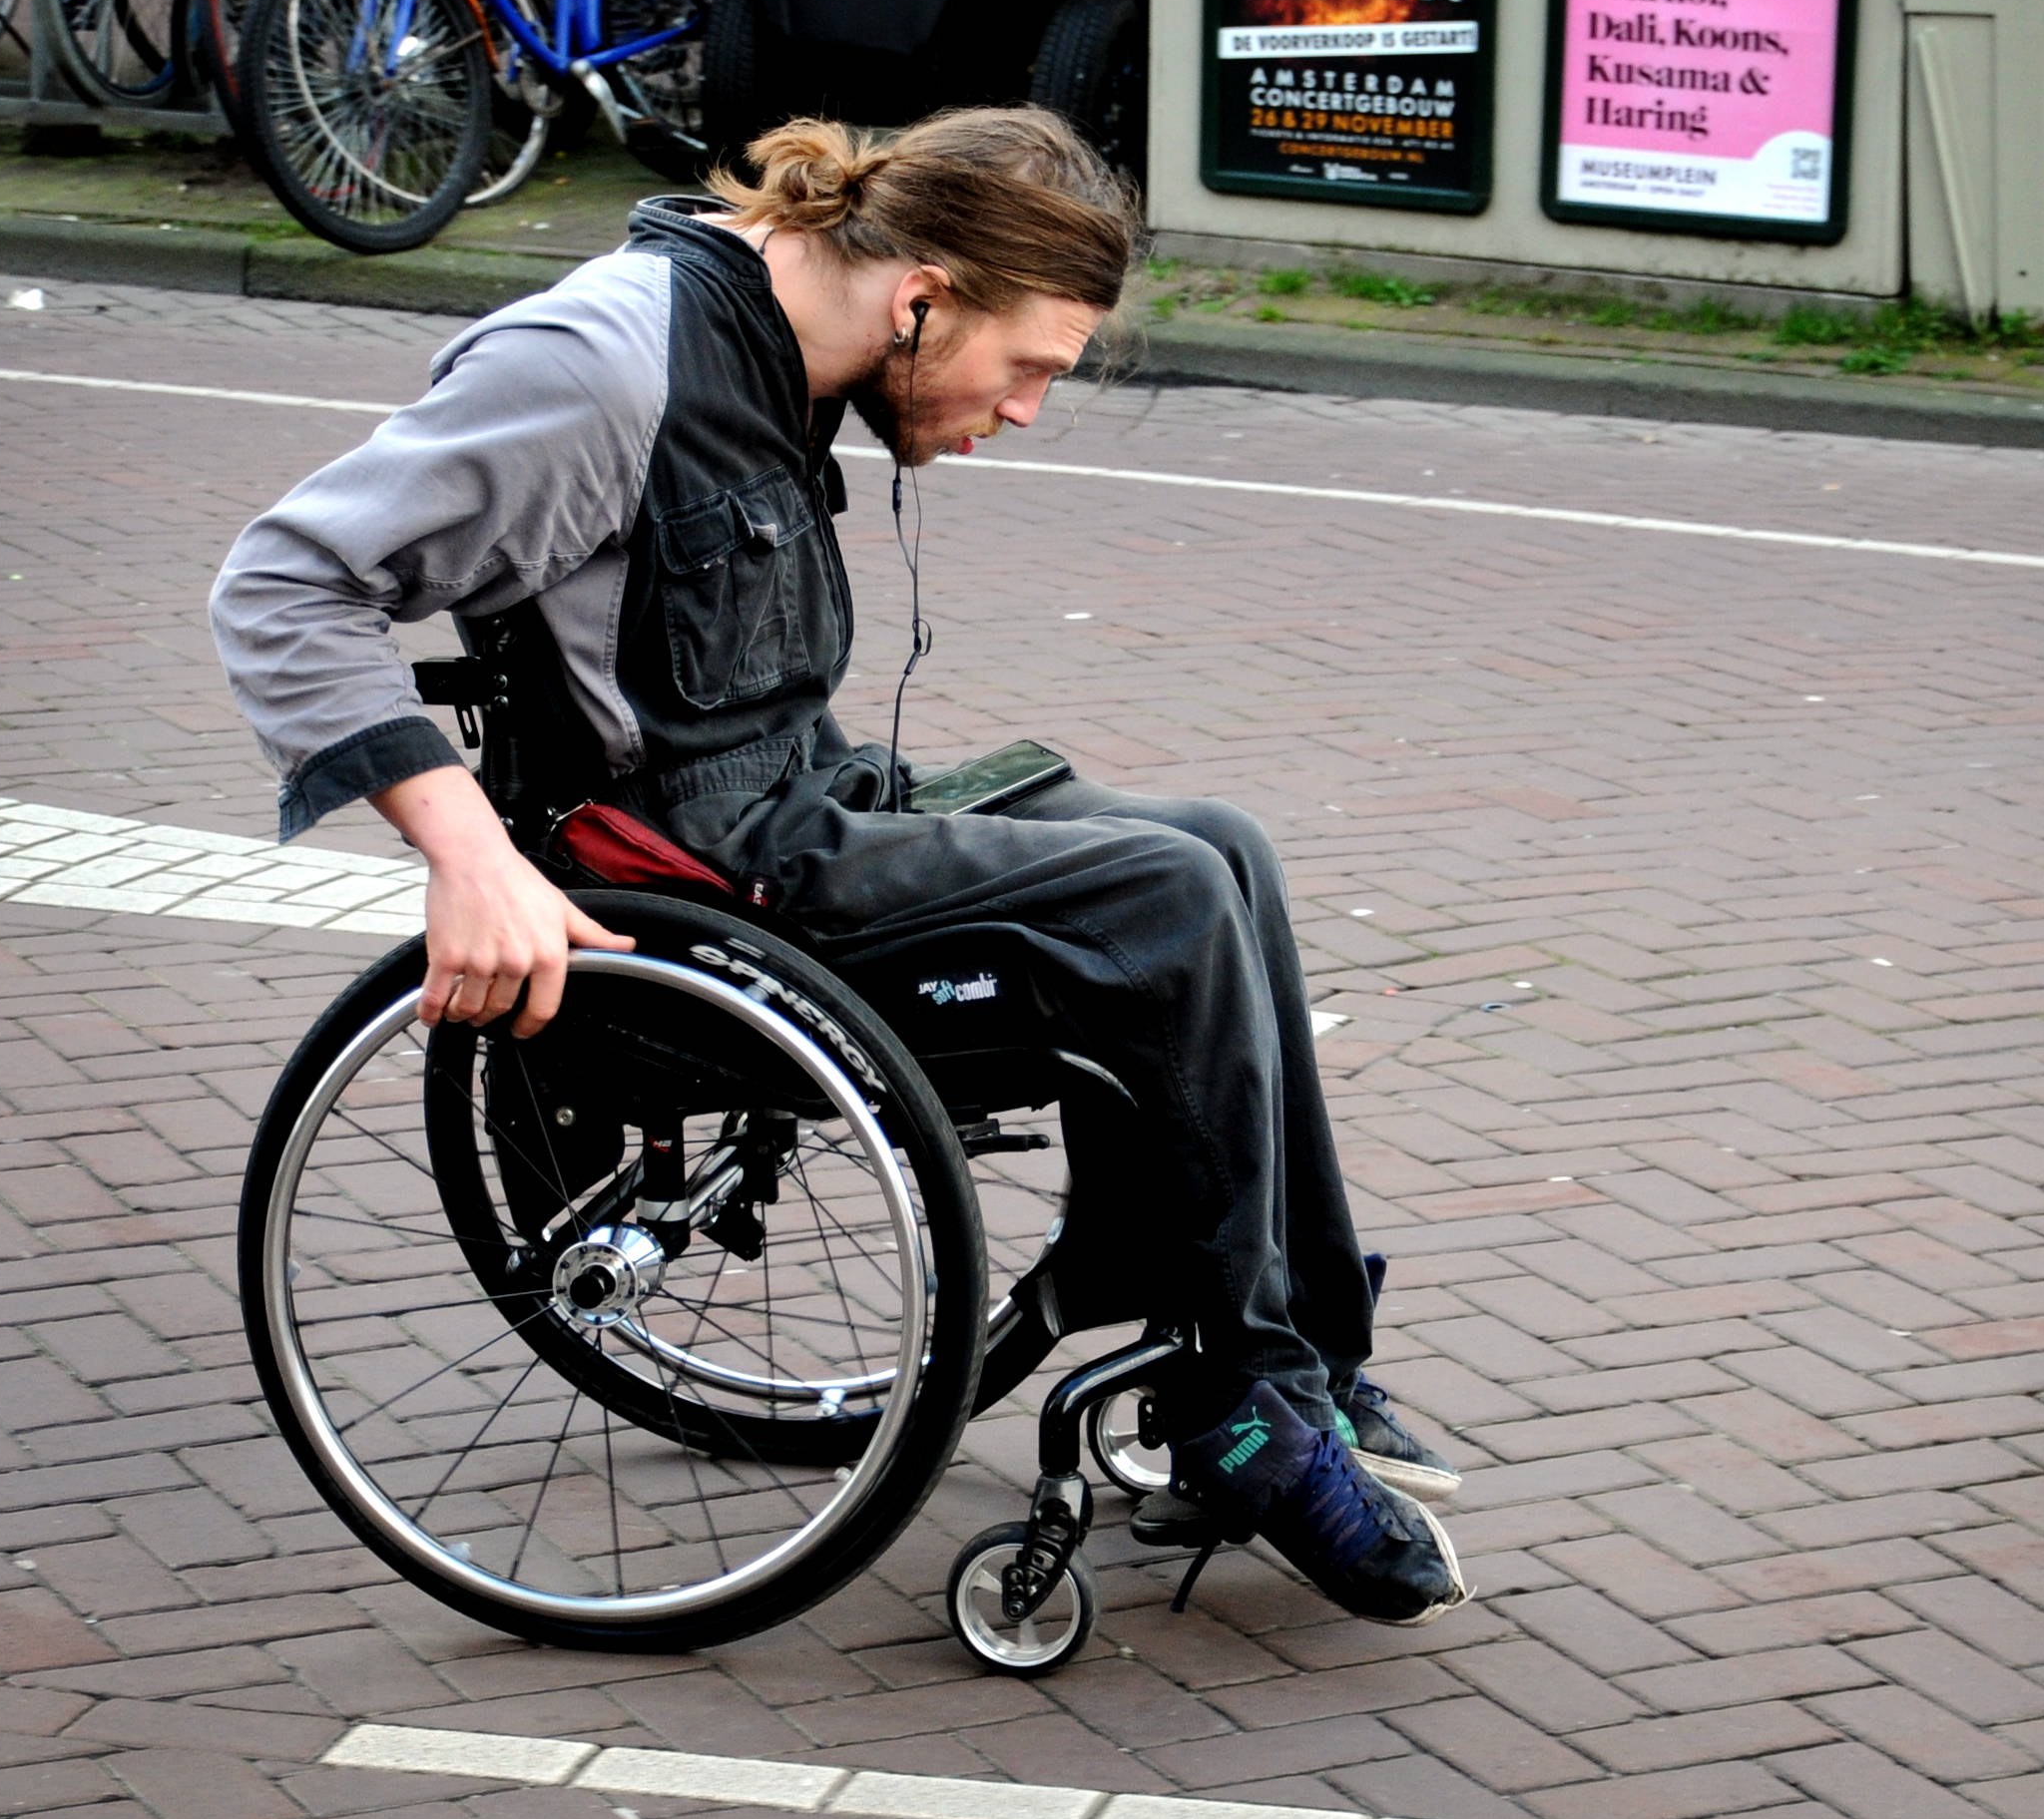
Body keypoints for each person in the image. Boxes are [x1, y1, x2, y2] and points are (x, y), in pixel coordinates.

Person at [210, 107, 1467, 1628]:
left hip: (795, 809)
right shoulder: (603, 364)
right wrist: (465, 856)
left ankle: (1301, 1352)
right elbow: (288, 581)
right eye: (1027, 370)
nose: (1024, 414)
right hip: (690, 883)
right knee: (1164, 901)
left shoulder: (780, 334)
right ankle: (1246, 1404)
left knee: (1218, 848)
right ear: (921, 298)